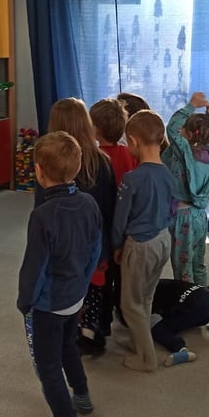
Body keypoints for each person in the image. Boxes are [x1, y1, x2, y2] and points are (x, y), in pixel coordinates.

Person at [17, 131, 102, 417]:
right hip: (75, 296)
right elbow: (96, 249)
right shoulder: (89, 202)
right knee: (68, 347)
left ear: (38, 171)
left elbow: (33, 267)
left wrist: (25, 301)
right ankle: (82, 395)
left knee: (48, 366)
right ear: (77, 169)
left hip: (48, 305)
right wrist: (81, 283)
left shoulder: (42, 216)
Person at [47, 98, 117, 353]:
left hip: (65, 250)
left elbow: (43, 212)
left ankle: (72, 331)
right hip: (97, 246)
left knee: (68, 292)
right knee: (94, 287)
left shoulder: (50, 166)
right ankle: (91, 329)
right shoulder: (103, 161)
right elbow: (110, 210)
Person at [111, 109, 173, 372]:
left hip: (140, 245)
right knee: (146, 297)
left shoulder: (132, 179)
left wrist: (116, 245)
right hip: (163, 241)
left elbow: (119, 219)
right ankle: (142, 343)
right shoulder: (168, 174)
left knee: (130, 304)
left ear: (133, 141)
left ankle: (147, 359)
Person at [89, 98, 138, 344]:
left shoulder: (97, 158)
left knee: (104, 278)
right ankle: (124, 314)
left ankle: (103, 323)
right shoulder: (129, 153)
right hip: (127, 226)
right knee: (122, 276)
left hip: (107, 228)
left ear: (95, 128)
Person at [162, 92, 209, 285]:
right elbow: (204, 133)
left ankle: (189, 305)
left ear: (187, 133)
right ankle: (203, 301)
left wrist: (191, 106)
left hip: (182, 217)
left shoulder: (184, 153)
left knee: (182, 266)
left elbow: (171, 128)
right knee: (197, 262)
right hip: (199, 216)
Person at [151, 279, 209, 367]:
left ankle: (181, 350)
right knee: (191, 317)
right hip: (208, 296)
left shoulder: (148, 293)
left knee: (158, 330)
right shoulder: (157, 282)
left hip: (194, 306)